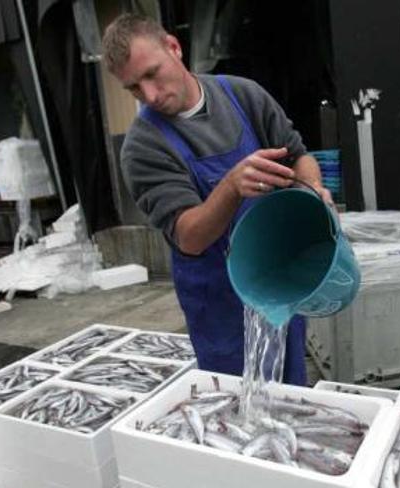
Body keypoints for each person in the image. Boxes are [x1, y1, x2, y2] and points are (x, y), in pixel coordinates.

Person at [101, 14, 331, 385]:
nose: (150, 96)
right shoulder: (143, 147)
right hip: (219, 302)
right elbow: (189, 235)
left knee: (292, 388)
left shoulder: (243, 95)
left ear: (174, 48)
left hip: (279, 279)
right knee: (234, 405)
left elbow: (298, 155)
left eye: (152, 74)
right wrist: (230, 186)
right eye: (134, 89)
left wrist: (313, 191)